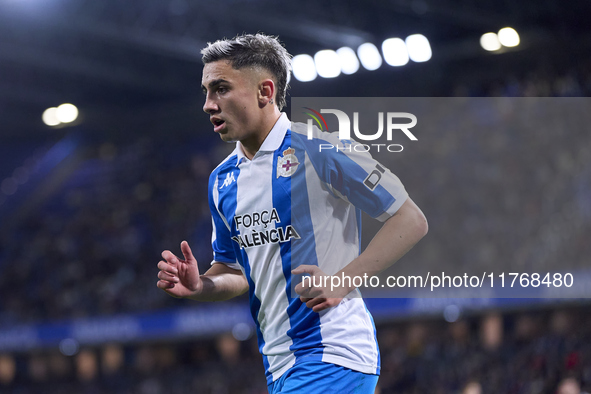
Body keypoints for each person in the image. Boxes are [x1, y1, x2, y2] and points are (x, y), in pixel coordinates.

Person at [157, 33, 428, 393]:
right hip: (279, 363)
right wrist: (201, 285)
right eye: (206, 91)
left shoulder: (321, 149)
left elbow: (410, 219)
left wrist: (341, 279)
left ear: (265, 92)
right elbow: (236, 271)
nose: (208, 104)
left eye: (220, 88)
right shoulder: (222, 180)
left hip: (333, 352)